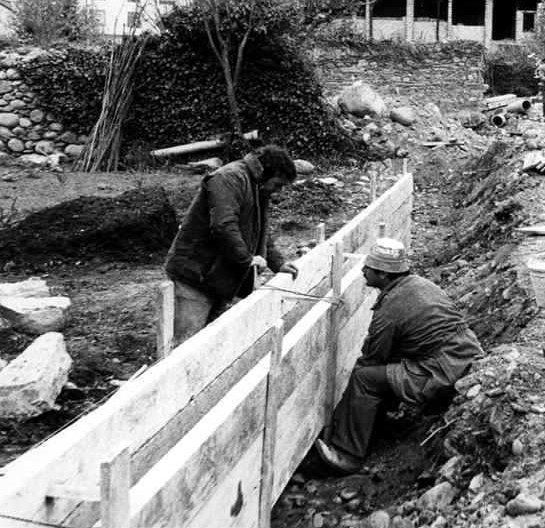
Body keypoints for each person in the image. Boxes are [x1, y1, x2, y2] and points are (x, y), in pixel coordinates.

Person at [314, 238, 484, 474]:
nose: (363, 271)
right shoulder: (419, 283)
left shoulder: (389, 310)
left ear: (383, 275)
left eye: (369, 269)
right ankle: (374, 425)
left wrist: (341, 410)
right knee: (387, 366)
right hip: (466, 354)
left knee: (364, 377)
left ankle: (348, 454)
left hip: (442, 370)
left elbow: (372, 359)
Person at [164, 144, 299, 344]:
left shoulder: (256, 186)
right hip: (195, 277)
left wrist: (277, 263)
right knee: (185, 347)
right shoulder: (229, 178)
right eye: (278, 184)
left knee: (209, 344)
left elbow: (258, 230)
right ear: (266, 172)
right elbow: (223, 225)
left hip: (218, 280)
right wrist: (246, 260)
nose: (277, 191)